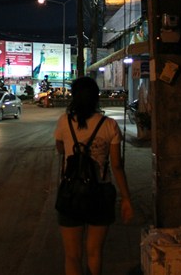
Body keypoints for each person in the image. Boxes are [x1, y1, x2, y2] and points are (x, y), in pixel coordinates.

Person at [54, 76, 133, 275]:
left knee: (72, 255)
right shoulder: (109, 124)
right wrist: (126, 198)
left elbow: (60, 149)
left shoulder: (64, 121)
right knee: (95, 252)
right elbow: (116, 165)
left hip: (71, 192)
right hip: (100, 193)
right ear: (96, 98)